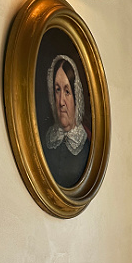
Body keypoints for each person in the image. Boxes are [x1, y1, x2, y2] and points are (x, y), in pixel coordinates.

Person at [43, 54, 90, 187]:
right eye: (57, 90)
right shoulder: (46, 139)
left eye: (67, 91)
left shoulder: (85, 143)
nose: (61, 101)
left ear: (77, 97)